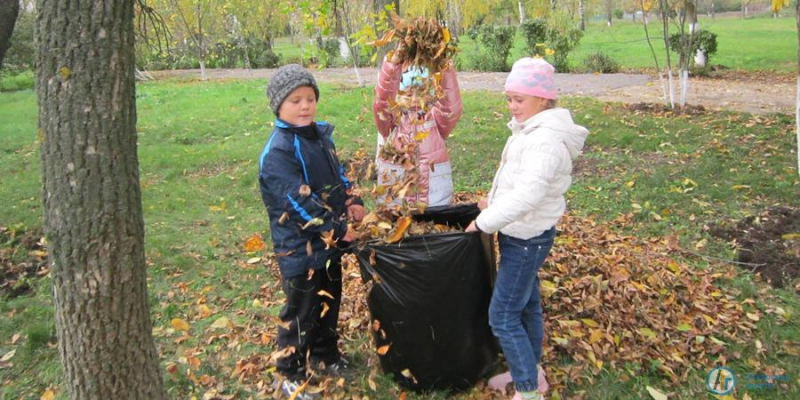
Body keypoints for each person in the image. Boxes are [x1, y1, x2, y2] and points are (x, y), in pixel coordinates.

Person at [466, 57, 589, 400]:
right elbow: (517, 182)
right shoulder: (531, 131)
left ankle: (528, 391)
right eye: (509, 98)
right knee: (527, 305)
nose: (512, 106)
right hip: (521, 233)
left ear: (543, 99)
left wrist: (484, 222)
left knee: (502, 316)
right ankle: (531, 372)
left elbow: (529, 194)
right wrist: (493, 202)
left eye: (519, 99)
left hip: (527, 238)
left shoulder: (544, 140)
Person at [259, 64, 366, 400]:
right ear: (279, 106)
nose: (304, 106)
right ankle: (289, 374)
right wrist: (338, 228)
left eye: (309, 98)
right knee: (301, 313)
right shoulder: (278, 151)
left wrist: (352, 198)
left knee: (329, 301)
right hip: (300, 249)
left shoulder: (319, 135)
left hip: (328, 245)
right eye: (295, 100)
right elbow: (297, 204)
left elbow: (339, 172)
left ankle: (325, 355)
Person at [373, 42, 463, 207]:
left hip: (434, 200)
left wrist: (444, 69)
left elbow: (451, 109)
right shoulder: (391, 123)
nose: (414, 100)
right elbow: (382, 104)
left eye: (421, 93)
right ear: (397, 95)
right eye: (407, 94)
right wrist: (393, 64)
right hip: (396, 203)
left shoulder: (435, 120)